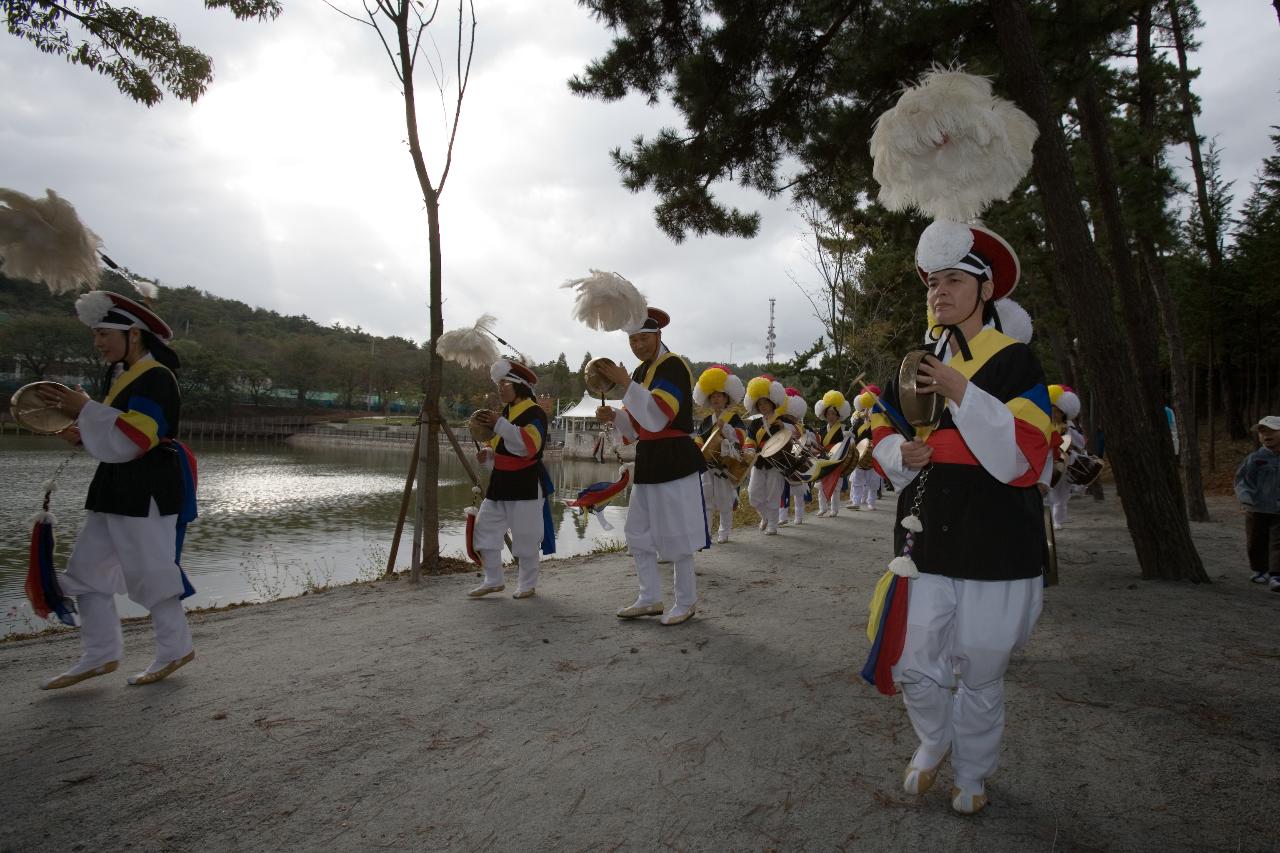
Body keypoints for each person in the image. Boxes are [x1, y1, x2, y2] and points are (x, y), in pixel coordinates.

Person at [869, 219, 1051, 815]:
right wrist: (902, 452)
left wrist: (961, 391)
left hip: (996, 533)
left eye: (953, 280)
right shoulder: (916, 361)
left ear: (984, 290)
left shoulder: (1017, 361)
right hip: (926, 532)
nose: (939, 292)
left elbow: (1026, 455)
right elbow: (881, 429)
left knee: (980, 664)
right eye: (931, 284)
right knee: (912, 657)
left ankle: (972, 771)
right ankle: (934, 739)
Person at [36, 290, 197, 689]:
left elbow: (138, 436)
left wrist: (86, 410)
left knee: (151, 572)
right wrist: (84, 432)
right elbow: (119, 436)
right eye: (96, 335)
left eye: (104, 333)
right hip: (115, 487)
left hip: (147, 489)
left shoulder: (156, 376)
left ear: (134, 334)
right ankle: (99, 653)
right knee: (87, 572)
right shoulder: (126, 377)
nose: (98, 342)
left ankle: (174, 649)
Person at [594, 308, 707, 625]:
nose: (638, 345)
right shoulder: (643, 372)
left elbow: (657, 417)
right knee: (638, 531)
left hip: (674, 456)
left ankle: (685, 601)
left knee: (678, 533)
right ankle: (649, 597)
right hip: (650, 458)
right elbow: (634, 428)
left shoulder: (672, 366)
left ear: (658, 336)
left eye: (644, 338)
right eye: (633, 340)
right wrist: (613, 416)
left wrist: (626, 385)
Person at [469, 359, 555, 599]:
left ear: (520, 385)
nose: (500, 387)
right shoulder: (505, 413)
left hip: (526, 481)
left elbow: (529, 447)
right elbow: (500, 449)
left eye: (505, 383)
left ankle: (527, 584)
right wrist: (487, 455)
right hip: (500, 482)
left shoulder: (535, 412)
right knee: (485, 528)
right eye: (499, 383)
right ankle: (493, 579)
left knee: (526, 535)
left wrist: (500, 425)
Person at [693, 365, 747, 544]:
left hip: (726, 463)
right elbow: (700, 438)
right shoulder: (707, 420)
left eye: (719, 395)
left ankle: (724, 532)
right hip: (707, 464)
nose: (716, 399)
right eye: (713, 396)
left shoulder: (734, 417)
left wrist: (728, 428)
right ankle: (706, 533)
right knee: (706, 498)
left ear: (726, 398)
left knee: (724, 500)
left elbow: (741, 438)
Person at [1235, 415, 1280, 589]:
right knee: (1255, 541)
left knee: (1278, 542)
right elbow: (1242, 481)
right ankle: (1260, 570)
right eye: (1262, 432)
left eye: (1272, 431)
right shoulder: (1254, 459)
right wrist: (1246, 499)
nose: (1266, 435)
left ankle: (1276, 575)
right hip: (1257, 508)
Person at [743, 375, 788, 535]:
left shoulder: (782, 420)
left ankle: (773, 525)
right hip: (759, 462)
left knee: (773, 495)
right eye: (759, 403)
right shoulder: (755, 423)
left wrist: (785, 427)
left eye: (765, 402)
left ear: (772, 402)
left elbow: (797, 436)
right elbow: (749, 441)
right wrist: (748, 450)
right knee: (752, 494)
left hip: (776, 463)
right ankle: (765, 517)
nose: (762, 406)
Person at [1045, 385, 1085, 531]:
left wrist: (1068, 433)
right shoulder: (1042, 423)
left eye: (1057, 411)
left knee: (1061, 495)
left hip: (1064, 462)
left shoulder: (1068, 426)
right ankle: (1049, 520)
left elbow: (1080, 442)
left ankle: (1057, 520)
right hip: (1046, 462)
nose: (1054, 414)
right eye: (1052, 410)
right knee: (1049, 493)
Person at [814, 390, 852, 518]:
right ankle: (822, 508)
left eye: (833, 413)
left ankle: (834, 509)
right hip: (824, 458)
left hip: (837, 458)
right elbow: (819, 444)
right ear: (825, 414)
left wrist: (849, 438)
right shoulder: (822, 429)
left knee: (835, 486)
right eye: (829, 413)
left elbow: (847, 445)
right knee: (821, 485)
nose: (831, 416)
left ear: (838, 415)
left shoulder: (842, 429)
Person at [779, 387, 812, 526]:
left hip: (795, 459)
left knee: (798, 490)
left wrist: (795, 455)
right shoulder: (778, 423)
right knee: (781, 490)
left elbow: (805, 442)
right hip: (781, 459)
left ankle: (799, 516)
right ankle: (783, 516)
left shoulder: (799, 427)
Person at [849, 389, 883, 512]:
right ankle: (856, 502)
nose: (868, 410)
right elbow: (853, 435)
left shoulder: (878, 421)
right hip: (860, 453)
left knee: (873, 481)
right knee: (857, 480)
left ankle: (871, 501)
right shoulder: (857, 420)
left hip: (874, 453)